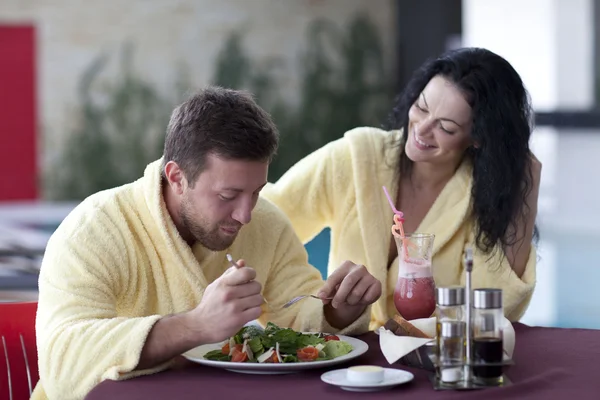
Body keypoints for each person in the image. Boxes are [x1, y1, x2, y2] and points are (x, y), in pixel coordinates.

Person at [33, 87, 382, 400]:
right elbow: (63, 365)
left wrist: (338, 311)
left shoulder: (266, 223)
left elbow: (297, 312)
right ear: (177, 177)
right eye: (228, 195)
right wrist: (195, 326)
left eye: (256, 192)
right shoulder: (94, 231)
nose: (246, 215)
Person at [261, 47, 540, 330]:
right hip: (346, 354)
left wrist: (525, 181)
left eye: (446, 127)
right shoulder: (357, 159)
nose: (421, 129)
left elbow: (496, 308)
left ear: (478, 138)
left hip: (428, 360)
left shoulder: (482, 196)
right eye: (421, 107)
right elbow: (265, 222)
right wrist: (303, 301)